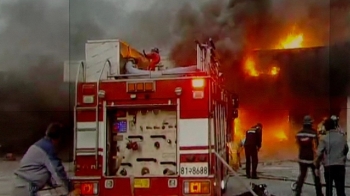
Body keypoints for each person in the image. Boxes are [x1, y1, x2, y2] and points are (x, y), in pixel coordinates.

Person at [11, 123, 77, 196]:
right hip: (26, 187)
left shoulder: (41, 144)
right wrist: (70, 188)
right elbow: (58, 171)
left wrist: (53, 183)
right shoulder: (47, 148)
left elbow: (42, 170)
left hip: (21, 186)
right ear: (58, 138)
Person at [315, 118, 349, 196]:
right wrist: (342, 158)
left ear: (326, 127)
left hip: (329, 167)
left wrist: (317, 166)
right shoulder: (341, 137)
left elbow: (319, 153)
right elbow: (346, 149)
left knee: (329, 189)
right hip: (340, 166)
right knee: (340, 189)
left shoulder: (324, 138)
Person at [294, 115, 323, 196]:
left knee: (302, 176)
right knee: (316, 177)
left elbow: (298, 144)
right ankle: (319, 193)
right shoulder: (314, 133)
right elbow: (317, 146)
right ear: (311, 123)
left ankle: (298, 192)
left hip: (302, 158)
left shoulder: (299, 134)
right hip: (312, 159)